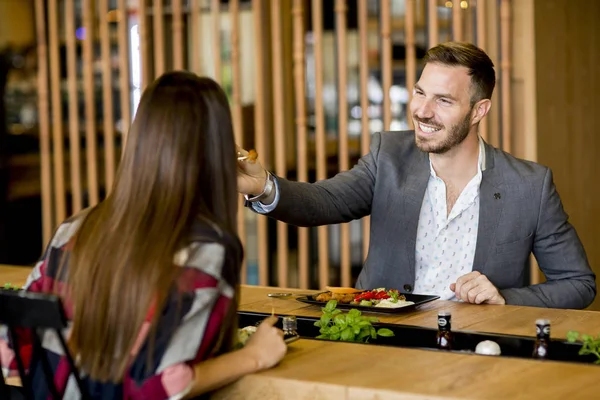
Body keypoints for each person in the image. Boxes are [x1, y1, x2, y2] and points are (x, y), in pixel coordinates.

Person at [237, 42, 596, 309]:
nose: (422, 111)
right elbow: (321, 203)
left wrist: (504, 298)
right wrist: (263, 186)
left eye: (443, 100)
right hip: (384, 347)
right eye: (420, 92)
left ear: (478, 110)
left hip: (477, 353)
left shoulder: (529, 186)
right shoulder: (388, 156)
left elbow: (578, 283)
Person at [0, 72, 287, 399]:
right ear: (218, 150)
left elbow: (9, 350)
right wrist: (255, 355)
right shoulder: (205, 251)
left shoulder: (74, 229)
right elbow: (161, 384)